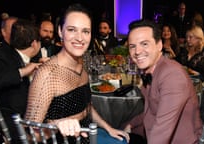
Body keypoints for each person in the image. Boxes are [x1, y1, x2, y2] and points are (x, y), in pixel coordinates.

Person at [25, 3, 129, 144]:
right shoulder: (48, 74)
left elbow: (86, 108)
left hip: (87, 136)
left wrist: (108, 128)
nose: (80, 38)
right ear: (61, 31)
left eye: (85, 31)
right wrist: (55, 126)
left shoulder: (81, 65)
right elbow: (29, 136)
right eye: (72, 30)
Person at [124, 19, 203, 143]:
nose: (137, 52)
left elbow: (160, 134)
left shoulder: (172, 76)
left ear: (159, 45)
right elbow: (152, 110)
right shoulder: (151, 70)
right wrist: (131, 125)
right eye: (132, 46)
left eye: (144, 44)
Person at [0, 18, 41, 143]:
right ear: (34, 44)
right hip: (15, 127)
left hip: (26, 121)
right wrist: (23, 72)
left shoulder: (20, 57)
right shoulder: (0, 56)